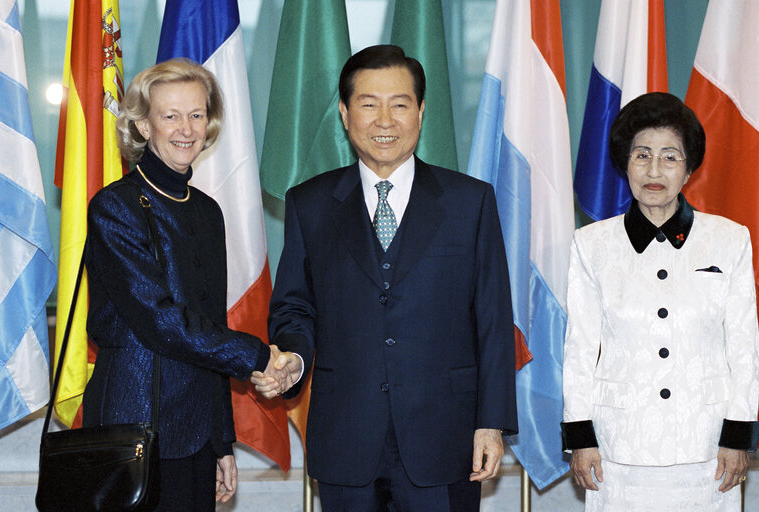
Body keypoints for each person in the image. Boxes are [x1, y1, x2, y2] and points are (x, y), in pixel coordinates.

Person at [251, 44, 517, 511]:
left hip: (446, 438)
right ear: (344, 112)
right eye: (368, 104)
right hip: (346, 435)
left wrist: (491, 423)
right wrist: (293, 355)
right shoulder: (309, 204)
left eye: (400, 104)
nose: (384, 120)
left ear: (421, 111)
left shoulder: (469, 202)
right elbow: (295, 305)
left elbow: (493, 319)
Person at [82, 58, 297, 511]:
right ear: (143, 125)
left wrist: (221, 441)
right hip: (135, 426)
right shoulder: (115, 208)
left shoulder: (205, 210)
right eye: (170, 115)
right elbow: (160, 320)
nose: (186, 128)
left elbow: (208, 324)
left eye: (196, 114)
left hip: (196, 431)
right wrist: (258, 356)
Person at [561, 92, 759, 511]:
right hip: (617, 448)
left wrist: (738, 434)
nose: (654, 170)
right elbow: (579, 348)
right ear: (625, 163)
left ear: (689, 169)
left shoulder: (729, 240)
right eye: (642, 155)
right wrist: (580, 436)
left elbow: (744, 347)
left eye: (670, 157)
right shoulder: (591, 245)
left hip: (708, 448)